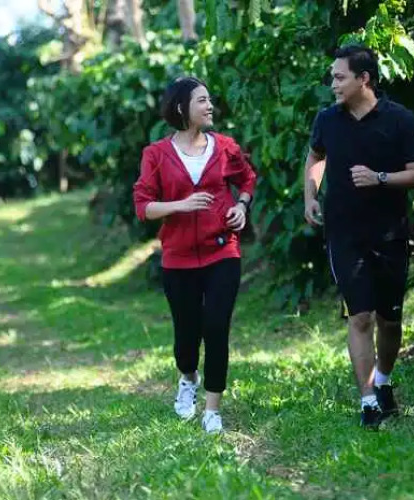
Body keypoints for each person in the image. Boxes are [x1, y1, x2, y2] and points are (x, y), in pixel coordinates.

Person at [303, 45, 414, 429]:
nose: (333, 84)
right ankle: (369, 401)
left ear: (364, 79)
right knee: (360, 317)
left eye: (340, 77)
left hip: (389, 233)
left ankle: (384, 381)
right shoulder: (327, 119)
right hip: (343, 232)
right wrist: (310, 195)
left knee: (389, 320)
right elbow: (316, 157)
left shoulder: (400, 119)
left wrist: (379, 178)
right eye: (333, 77)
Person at [133, 77, 257, 433]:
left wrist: (242, 206)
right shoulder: (156, 154)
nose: (209, 105)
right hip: (178, 259)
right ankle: (188, 377)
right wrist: (181, 205)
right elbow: (143, 207)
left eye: (209, 99)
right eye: (201, 100)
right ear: (181, 108)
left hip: (223, 252)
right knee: (187, 335)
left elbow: (247, 179)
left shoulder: (225, 147)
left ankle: (212, 409)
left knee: (216, 327)